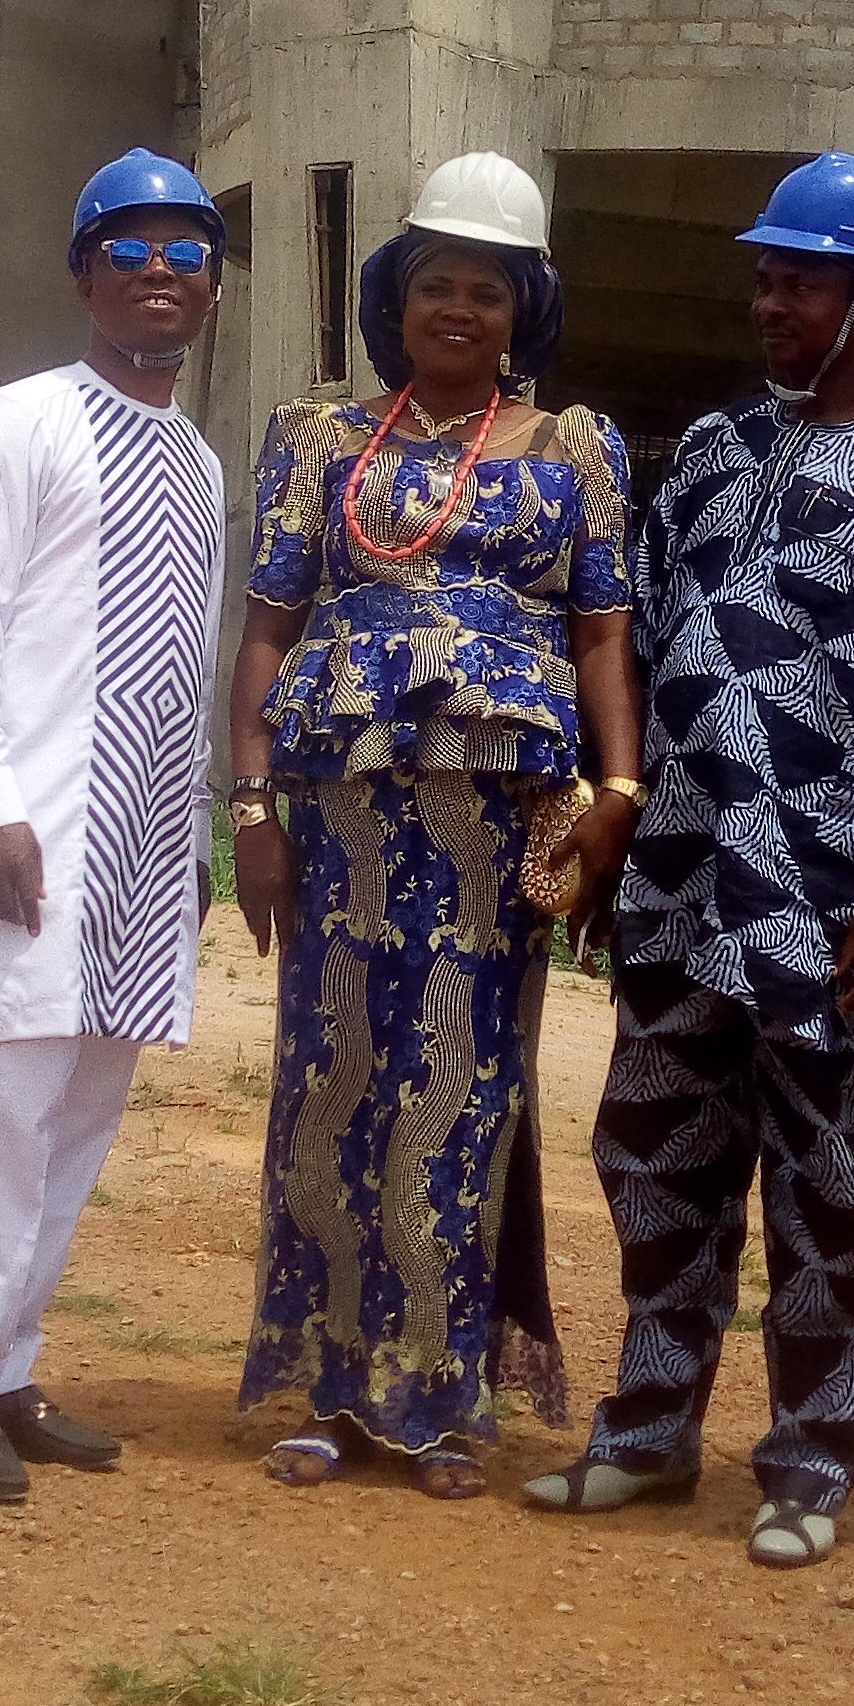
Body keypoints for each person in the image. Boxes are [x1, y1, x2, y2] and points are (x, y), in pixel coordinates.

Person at [529, 154, 854, 1572]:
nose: (772, 299)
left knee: (821, 1179)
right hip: (683, 880)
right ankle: (647, 1432)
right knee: (657, 1159)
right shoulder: (711, 453)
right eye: (766, 274)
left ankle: (810, 1460)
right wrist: (616, 834)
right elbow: (638, 647)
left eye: (803, 277)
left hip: (822, 890)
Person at [230, 155, 642, 1497]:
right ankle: (336, 1389)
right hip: (342, 815)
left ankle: (442, 1392)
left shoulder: (576, 450)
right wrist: (250, 801)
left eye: (486, 288)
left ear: (523, 307)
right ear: (393, 301)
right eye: (433, 286)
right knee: (332, 1083)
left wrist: (618, 796)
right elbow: (270, 630)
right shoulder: (319, 444)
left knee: (465, 1090)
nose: (457, 308)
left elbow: (600, 640)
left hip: (490, 828)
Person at [0, 150, 227, 1506]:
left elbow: (190, 663)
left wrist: (194, 837)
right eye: (134, 250)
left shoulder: (201, 457)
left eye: (188, 254)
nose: (162, 274)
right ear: (84, 270)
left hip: (147, 835)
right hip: (41, 823)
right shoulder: (25, 419)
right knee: (17, 1109)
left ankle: (13, 1363)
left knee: (89, 1111)